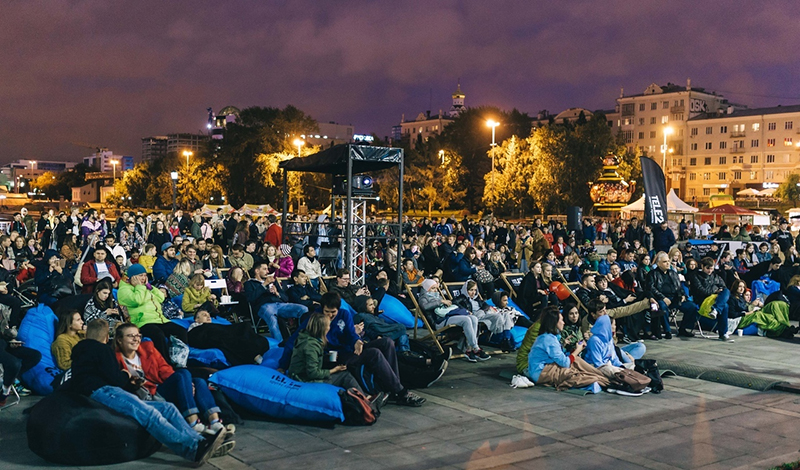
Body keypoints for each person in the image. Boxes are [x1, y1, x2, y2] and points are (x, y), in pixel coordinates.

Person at [65, 319, 229, 465]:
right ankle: (192, 449)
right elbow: (114, 378)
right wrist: (125, 376)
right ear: (107, 337)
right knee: (150, 414)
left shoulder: (81, 352)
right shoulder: (104, 350)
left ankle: (200, 442)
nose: (136, 339)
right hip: (103, 391)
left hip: (104, 389)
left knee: (168, 408)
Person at [281, 293, 425, 406]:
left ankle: (394, 388)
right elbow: (293, 340)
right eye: (327, 312)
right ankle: (401, 392)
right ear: (321, 308)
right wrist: (282, 365)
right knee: (374, 354)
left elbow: (351, 333)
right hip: (331, 355)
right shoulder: (315, 318)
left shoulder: (344, 314)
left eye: (333, 312)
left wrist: (357, 340)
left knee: (387, 343)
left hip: (349, 349)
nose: (330, 315)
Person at [114, 323, 228, 434]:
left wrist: (186, 384)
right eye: (130, 336)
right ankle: (192, 422)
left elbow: (164, 368)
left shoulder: (148, 349)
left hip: (161, 388)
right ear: (119, 340)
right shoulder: (115, 358)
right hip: (149, 394)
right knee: (183, 373)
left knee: (197, 381)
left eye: (138, 335)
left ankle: (215, 422)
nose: (136, 339)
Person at [118, 264, 189, 364]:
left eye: (144, 275)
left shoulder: (144, 287)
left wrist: (149, 286)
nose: (143, 278)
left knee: (181, 331)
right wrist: (139, 287)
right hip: (142, 322)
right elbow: (138, 300)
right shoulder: (124, 290)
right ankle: (165, 363)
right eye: (140, 276)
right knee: (158, 335)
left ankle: (180, 359)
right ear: (133, 277)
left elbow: (161, 298)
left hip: (159, 319)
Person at [526, 306, 609, 390]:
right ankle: (602, 380)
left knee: (577, 361)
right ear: (554, 322)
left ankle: (601, 375)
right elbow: (564, 362)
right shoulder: (548, 339)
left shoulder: (551, 336)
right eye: (561, 320)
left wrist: (563, 346)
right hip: (540, 372)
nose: (563, 323)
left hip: (545, 367)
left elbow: (555, 355)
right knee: (573, 373)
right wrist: (578, 350)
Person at [286, 312, 363, 391]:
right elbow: (313, 373)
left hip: (301, 375)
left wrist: (326, 357)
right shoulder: (311, 346)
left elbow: (311, 359)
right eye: (328, 325)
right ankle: (365, 399)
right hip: (304, 380)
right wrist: (335, 370)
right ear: (322, 328)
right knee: (345, 376)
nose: (329, 328)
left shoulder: (306, 337)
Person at [417, 278, 488, 362]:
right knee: (466, 320)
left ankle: (469, 348)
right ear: (426, 288)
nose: (436, 290)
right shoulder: (423, 298)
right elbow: (425, 307)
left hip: (449, 315)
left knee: (473, 318)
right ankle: (476, 348)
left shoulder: (437, 295)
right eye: (433, 288)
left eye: (436, 288)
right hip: (440, 321)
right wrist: (441, 301)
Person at [244, 261, 308, 342]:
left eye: (267, 269)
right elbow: (250, 298)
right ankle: (279, 346)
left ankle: (299, 339)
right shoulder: (249, 283)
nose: (267, 271)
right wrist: (264, 285)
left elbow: (286, 298)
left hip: (280, 305)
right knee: (273, 320)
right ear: (257, 271)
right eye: (265, 269)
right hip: (264, 306)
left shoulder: (273, 282)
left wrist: (277, 293)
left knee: (303, 309)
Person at [188, 309, 271, 366]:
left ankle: (258, 350)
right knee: (230, 338)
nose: (208, 316)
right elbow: (198, 338)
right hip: (211, 334)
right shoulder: (195, 329)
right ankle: (253, 355)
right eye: (204, 315)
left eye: (209, 315)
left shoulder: (213, 324)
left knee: (245, 326)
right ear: (197, 319)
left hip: (218, 331)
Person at [458, 280, 515, 352]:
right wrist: (466, 311)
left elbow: (485, 305)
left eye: (475, 290)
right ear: (466, 290)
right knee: (498, 316)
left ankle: (506, 340)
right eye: (471, 290)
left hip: (484, 314)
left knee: (506, 315)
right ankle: (502, 339)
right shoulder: (462, 298)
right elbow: (455, 304)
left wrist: (486, 309)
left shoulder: (477, 299)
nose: (473, 292)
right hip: (475, 316)